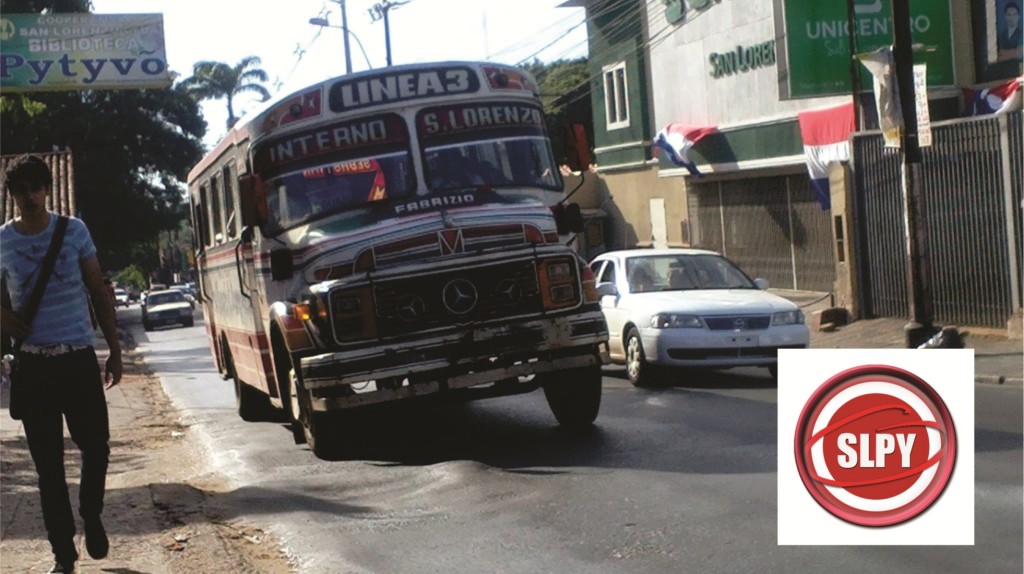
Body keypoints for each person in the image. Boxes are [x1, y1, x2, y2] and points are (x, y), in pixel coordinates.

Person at [0, 155, 122, 574]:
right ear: (12, 194)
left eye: (36, 187)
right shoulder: (2, 240)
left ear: (47, 189)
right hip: (34, 368)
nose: (28, 196)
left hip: (78, 361)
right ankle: (63, 557)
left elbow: (98, 290)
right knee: (48, 469)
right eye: (20, 190)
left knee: (97, 448)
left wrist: (114, 349)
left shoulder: (74, 232)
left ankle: (91, 512)